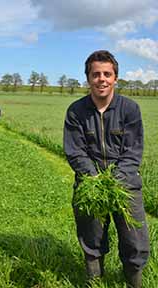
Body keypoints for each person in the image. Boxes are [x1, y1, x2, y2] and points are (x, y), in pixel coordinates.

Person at [63, 50, 149, 288]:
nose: (101, 79)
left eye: (107, 74)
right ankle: (95, 282)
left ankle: (134, 283)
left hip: (127, 184)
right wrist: (94, 180)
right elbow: (75, 151)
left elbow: (133, 151)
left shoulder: (130, 109)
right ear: (88, 78)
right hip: (90, 185)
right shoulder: (76, 111)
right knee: (91, 239)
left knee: (135, 240)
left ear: (115, 78)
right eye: (96, 74)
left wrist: (115, 181)